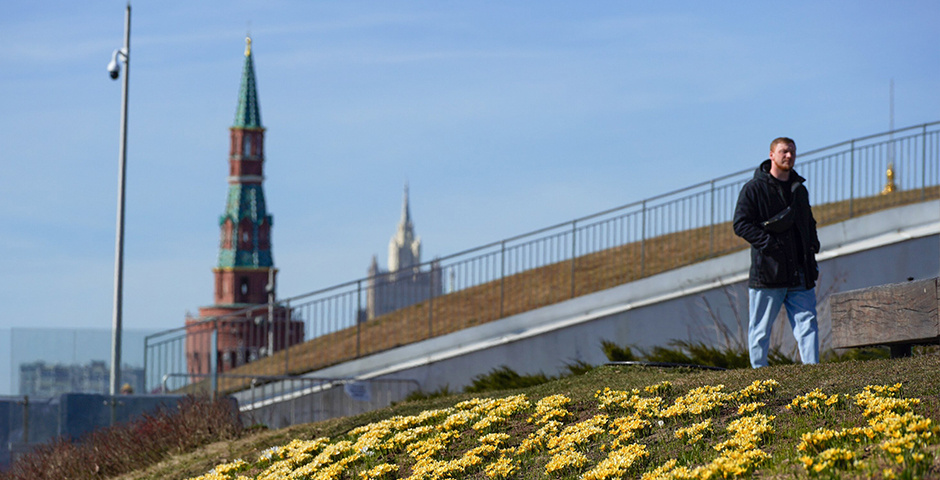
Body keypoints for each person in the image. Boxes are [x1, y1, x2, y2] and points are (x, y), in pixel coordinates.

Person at [733, 137, 820, 368]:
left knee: (808, 324)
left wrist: (813, 245)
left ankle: (813, 371)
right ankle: (759, 377)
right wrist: (769, 244)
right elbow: (740, 224)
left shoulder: (799, 189)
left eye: (792, 151)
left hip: (800, 271)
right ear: (771, 155)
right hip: (769, 273)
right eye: (783, 151)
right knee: (760, 330)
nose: (788, 156)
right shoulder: (754, 188)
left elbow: (808, 222)